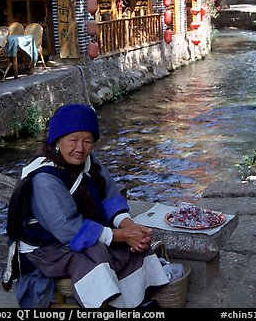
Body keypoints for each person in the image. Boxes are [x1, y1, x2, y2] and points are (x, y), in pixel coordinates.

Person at [9, 103, 169, 309]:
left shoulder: (88, 161)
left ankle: (137, 301)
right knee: (95, 254)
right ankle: (106, 306)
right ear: (57, 140)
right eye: (73, 140)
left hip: (83, 232)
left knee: (135, 247)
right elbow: (68, 230)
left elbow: (109, 197)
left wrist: (129, 227)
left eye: (88, 141)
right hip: (46, 249)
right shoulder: (44, 179)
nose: (80, 148)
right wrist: (121, 235)